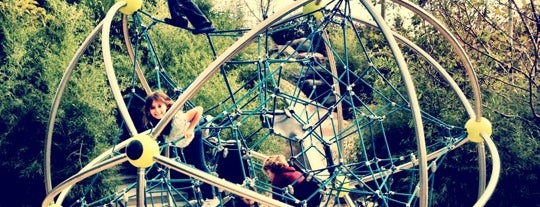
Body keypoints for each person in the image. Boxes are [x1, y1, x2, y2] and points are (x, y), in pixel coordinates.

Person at [142, 91, 220, 207]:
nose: (157, 111)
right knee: (193, 167)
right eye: (153, 108)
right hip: (182, 141)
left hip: (193, 136)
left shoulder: (177, 118)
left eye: (159, 106)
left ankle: (212, 197)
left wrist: (191, 128)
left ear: (167, 106)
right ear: (148, 110)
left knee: (200, 165)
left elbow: (198, 109)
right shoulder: (157, 124)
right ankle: (212, 189)